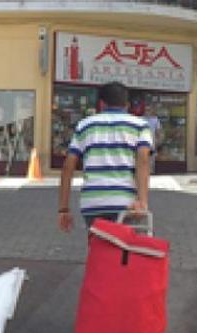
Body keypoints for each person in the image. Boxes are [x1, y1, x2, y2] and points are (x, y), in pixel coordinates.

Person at [58, 81, 152, 233]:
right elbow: (143, 160)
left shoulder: (84, 125)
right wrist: (142, 202)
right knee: (124, 251)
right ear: (127, 104)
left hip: (92, 203)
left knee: (99, 250)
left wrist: (63, 208)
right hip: (125, 203)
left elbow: (68, 166)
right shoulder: (140, 125)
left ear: (101, 104)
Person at [143, 106, 161, 174]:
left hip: (152, 141)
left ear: (151, 111)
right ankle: (144, 171)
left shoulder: (155, 120)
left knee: (151, 157)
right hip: (143, 140)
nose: (147, 112)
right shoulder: (141, 119)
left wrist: (158, 140)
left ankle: (151, 172)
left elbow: (158, 131)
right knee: (143, 156)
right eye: (146, 110)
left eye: (149, 110)